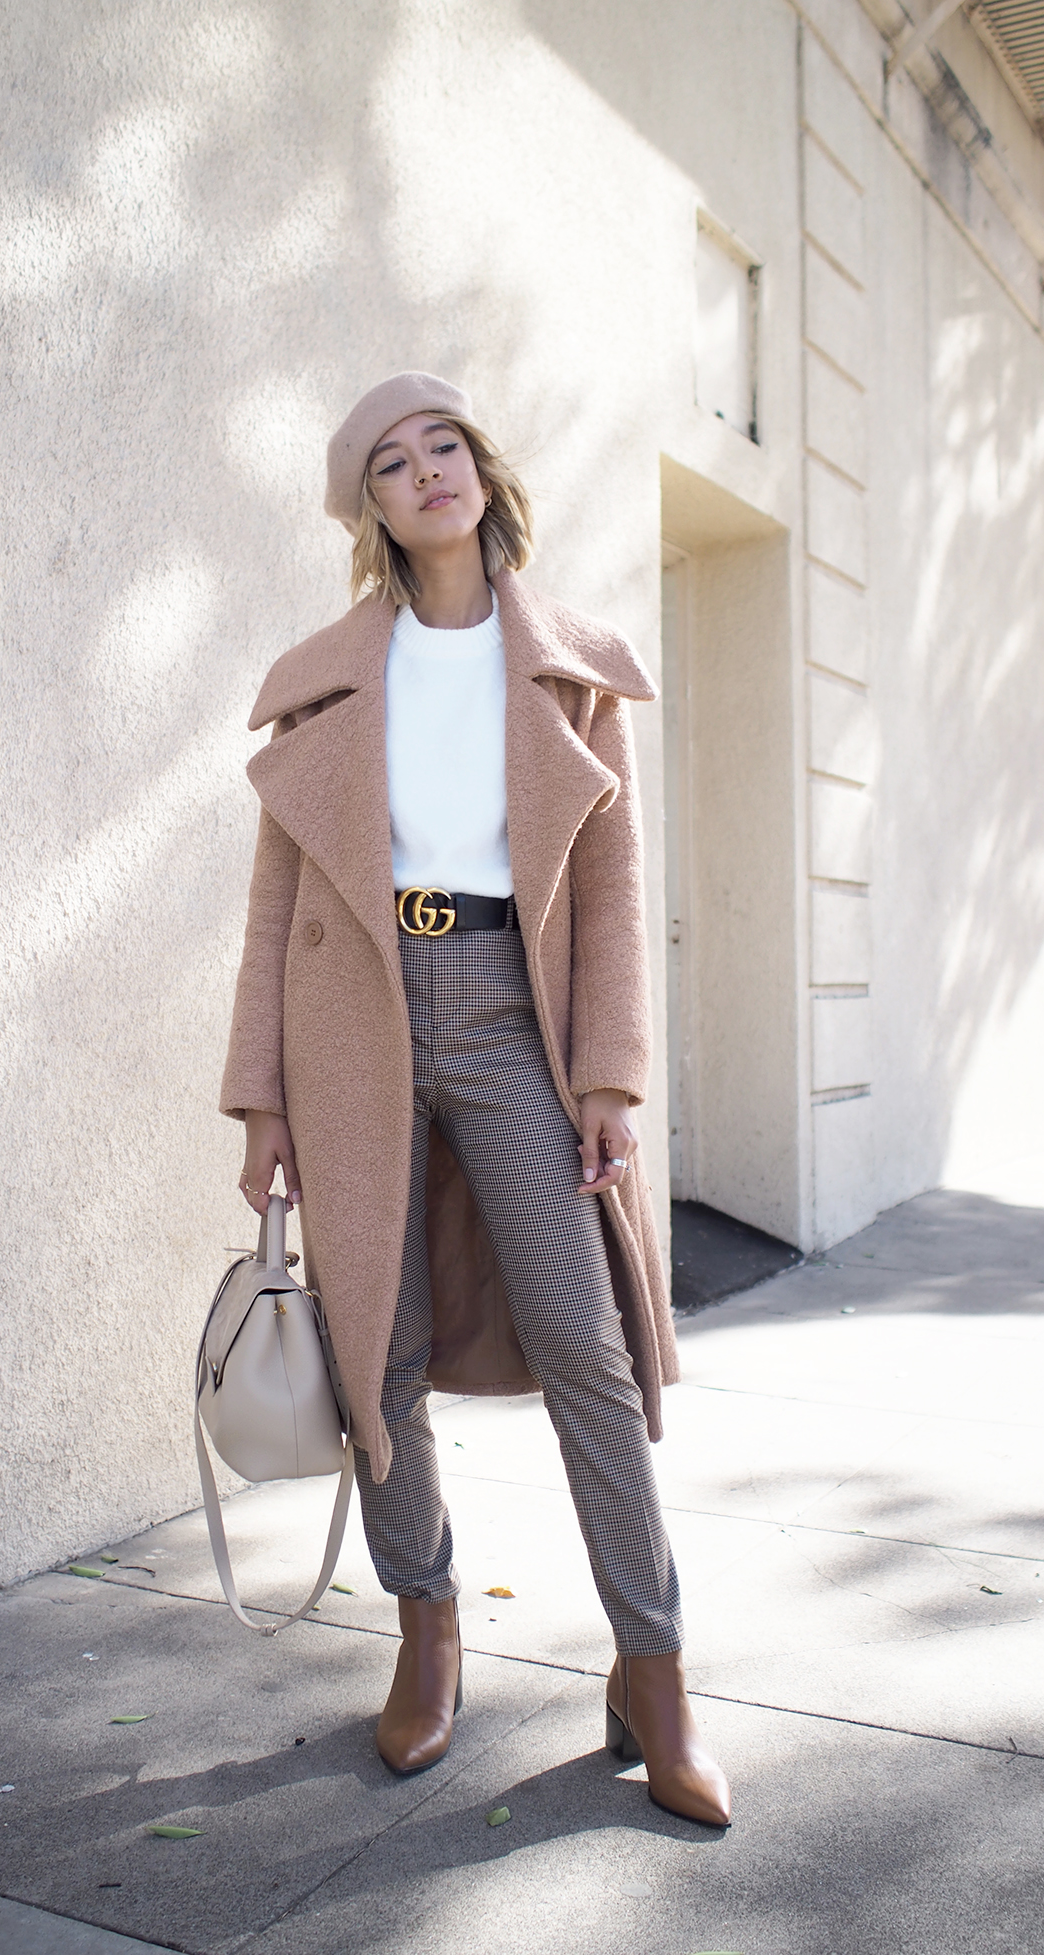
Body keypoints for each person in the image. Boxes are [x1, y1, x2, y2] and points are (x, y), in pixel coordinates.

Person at [220, 372, 730, 1826]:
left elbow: (616, 888)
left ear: (485, 473)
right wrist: (261, 1100)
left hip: (515, 1018)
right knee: (376, 1349)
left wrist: (614, 1076)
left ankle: (655, 1667)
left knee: (589, 1351)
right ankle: (426, 1635)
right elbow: (275, 904)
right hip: (356, 1027)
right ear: (370, 508)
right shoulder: (332, 677)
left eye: (445, 444)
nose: (427, 470)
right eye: (392, 460)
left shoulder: (569, 664)